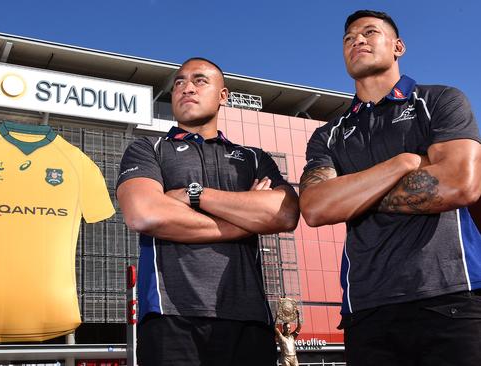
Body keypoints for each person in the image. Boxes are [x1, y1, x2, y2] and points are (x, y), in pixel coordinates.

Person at [299, 9, 481, 366]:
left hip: (452, 299)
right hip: (367, 309)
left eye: (369, 33)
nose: (358, 41)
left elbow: (461, 184)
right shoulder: (328, 135)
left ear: (398, 46)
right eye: (349, 38)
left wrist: (352, 197)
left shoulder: (441, 101)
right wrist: (403, 163)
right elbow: (315, 208)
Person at [116, 57, 299, 366]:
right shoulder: (148, 149)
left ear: (223, 96)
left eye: (199, 81)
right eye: (179, 83)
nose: (187, 88)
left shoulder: (254, 158)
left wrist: (194, 195)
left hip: (249, 318)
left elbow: (284, 215)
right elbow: (144, 213)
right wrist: (246, 219)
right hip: (170, 317)